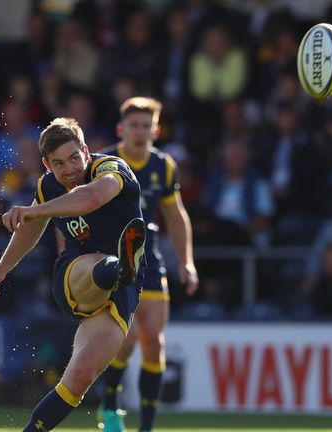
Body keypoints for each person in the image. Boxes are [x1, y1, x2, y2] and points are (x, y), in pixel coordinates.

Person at [0, 117, 147, 431]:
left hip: (121, 294)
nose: (69, 169)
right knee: (97, 262)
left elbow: (92, 198)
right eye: (59, 163)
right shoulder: (47, 185)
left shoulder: (111, 170)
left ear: (85, 150)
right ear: (46, 164)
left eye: (74, 158)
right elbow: (30, 231)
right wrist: (0, 269)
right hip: (74, 277)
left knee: (80, 376)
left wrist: (34, 210)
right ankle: (118, 267)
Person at [100, 97, 198, 432]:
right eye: (134, 125)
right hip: (113, 258)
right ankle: (109, 404)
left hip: (149, 256)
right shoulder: (105, 163)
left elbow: (176, 215)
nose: (140, 132)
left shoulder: (164, 166)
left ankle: (147, 427)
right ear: (121, 129)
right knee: (124, 341)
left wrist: (186, 262)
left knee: (154, 342)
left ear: (156, 130)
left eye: (146, 126)